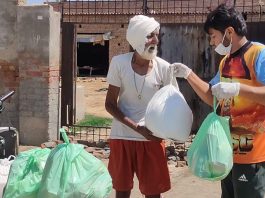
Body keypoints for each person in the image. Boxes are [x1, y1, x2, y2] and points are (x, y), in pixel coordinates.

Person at [171, 4, 265, 198]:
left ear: (229, 32)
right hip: (227, 152)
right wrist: (188, 74)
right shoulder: (226, 62)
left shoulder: (259, 54)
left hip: (253, 154)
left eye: (213, 36)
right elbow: (212, 96)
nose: (212, 43)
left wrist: (238, 88)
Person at [105, 15, 177, 198]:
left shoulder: (164, 68)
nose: (155, 40)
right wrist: (137, 128)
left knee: (153, 192)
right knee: (122, 191)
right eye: (149, 35)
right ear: (136, 39)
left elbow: (172, 105)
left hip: (151, 139)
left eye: (156, 35)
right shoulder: (119, 63)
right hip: (122, 137)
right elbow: (110, 104)